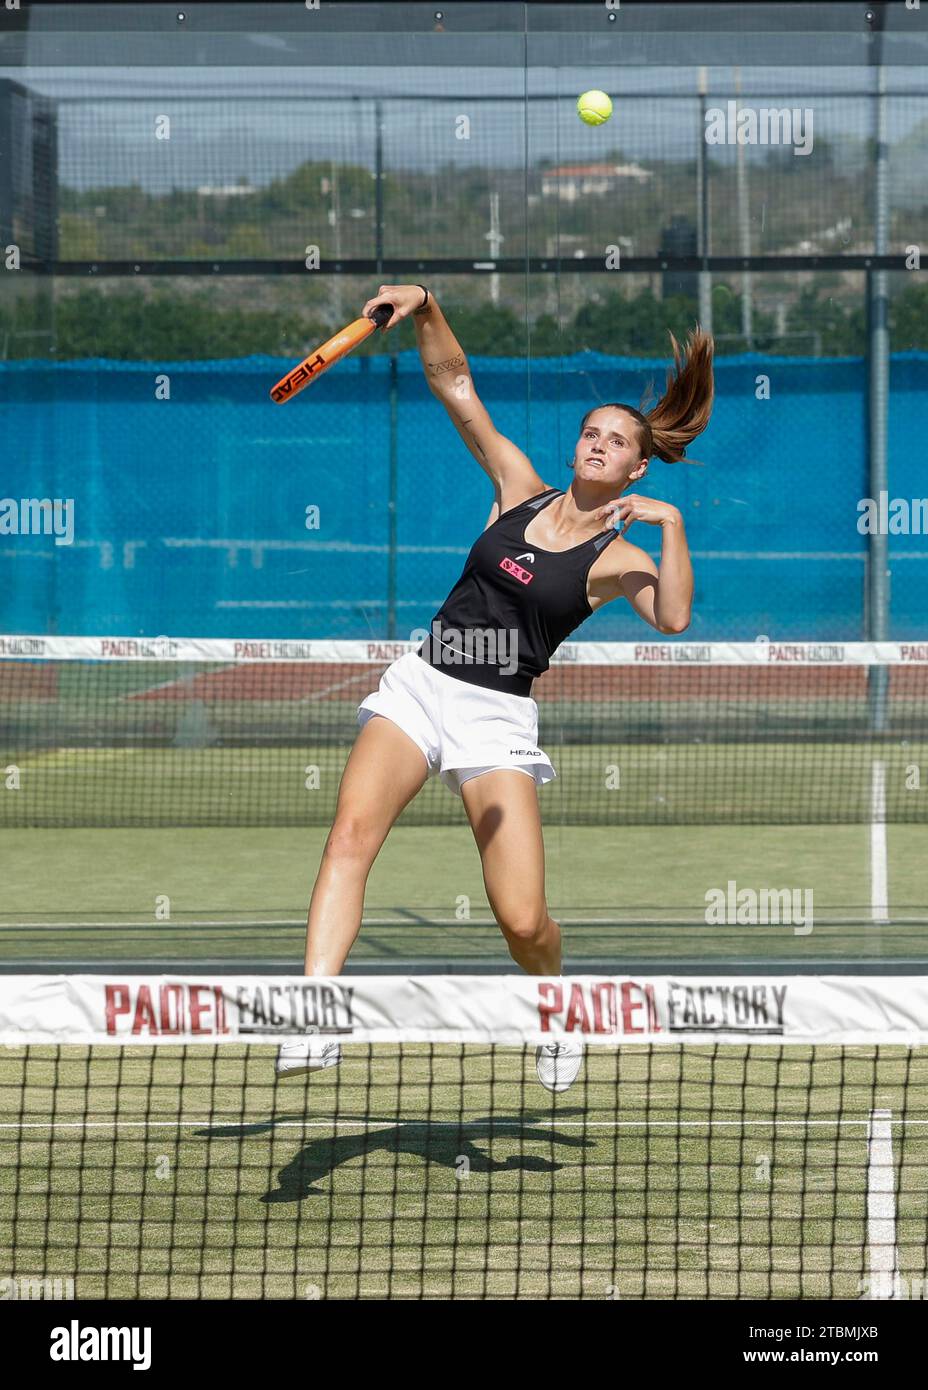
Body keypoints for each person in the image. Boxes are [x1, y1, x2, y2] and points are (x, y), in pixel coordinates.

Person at [278, 284, 714, 1092]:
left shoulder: (621, 559)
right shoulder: (519, 488)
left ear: (636, 466)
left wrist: (673, 525)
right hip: (420, 686)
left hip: (496, 718)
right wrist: (426, 305)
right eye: (591, 432)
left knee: (521, 920)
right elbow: (455, 386)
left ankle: (558, 1008)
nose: (597, 444)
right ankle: (315, 1014)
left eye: (615, 442)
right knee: (348, 839)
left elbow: (676, 620)